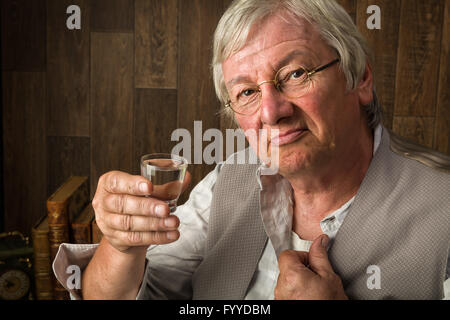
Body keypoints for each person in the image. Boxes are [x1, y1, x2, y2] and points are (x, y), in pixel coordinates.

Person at [53, 0, 450, 300]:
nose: (271, 112)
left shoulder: (442, 210)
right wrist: (121, 245)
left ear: (359, 76)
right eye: (245, 92)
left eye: (295, 74)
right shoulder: (230, 179)